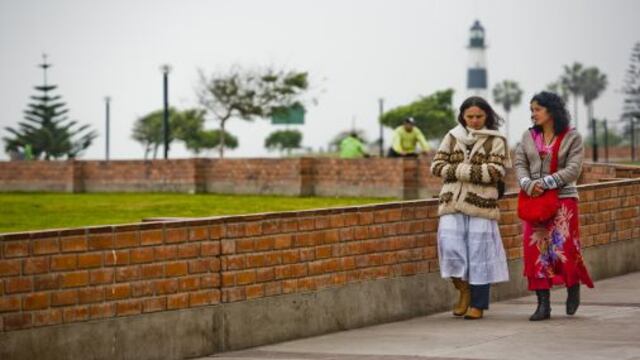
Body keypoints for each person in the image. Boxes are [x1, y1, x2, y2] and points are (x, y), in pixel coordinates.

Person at [514, 91, 594, 321]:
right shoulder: (528, 136)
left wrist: (547, 182)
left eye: (537, 109)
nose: (533, 114)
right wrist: (527, 183)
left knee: (565, 248)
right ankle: (543, 305)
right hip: (534, 201)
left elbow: (574, 168)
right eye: (531, 110)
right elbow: (519, 163)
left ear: (551, 111)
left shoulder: (572, 137)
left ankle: (573, 285)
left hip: (564, 200)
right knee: (535, 250)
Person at [430, 96, 511, 320]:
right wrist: (472, 170)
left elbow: (494, 172)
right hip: (451, 202)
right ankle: (463, 290)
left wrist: (457, 169)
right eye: (470, 116)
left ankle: (478, 303)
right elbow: (436, 166)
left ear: (487, 116)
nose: (474, 121)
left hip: (481, 204)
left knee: (479, 252)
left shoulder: (497, 140)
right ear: (462, 116)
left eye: (479, 116)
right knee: (450, 245)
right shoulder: (452, 136)